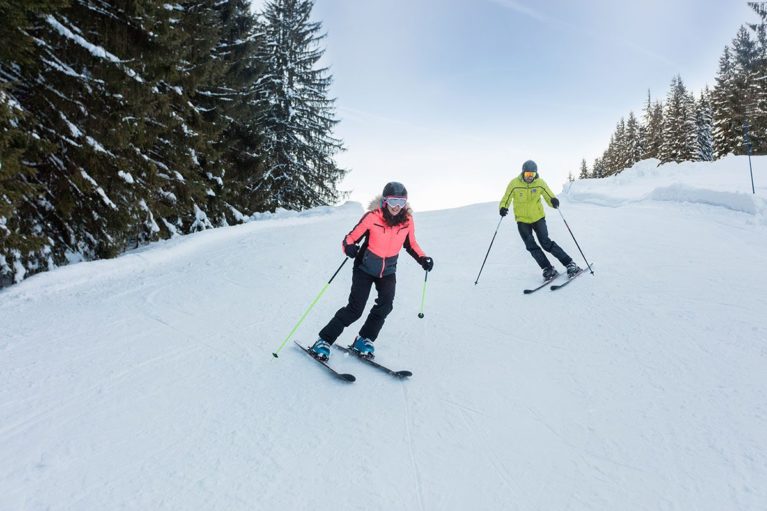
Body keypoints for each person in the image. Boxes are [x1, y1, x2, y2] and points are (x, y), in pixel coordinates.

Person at [309, 182, 433, 361]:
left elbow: (411, 244)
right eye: (392, 201)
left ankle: (364, 339)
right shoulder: (372, 217)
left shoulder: (407, 221)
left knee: (385, 305)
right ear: (384, 201)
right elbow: (350, 238)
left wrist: (423, 258)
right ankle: (323, 341)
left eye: (401, 201)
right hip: (364, 268)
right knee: (355, 309)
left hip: (388, 270)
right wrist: (349, 248)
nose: (397, 206)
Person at [499, 160, 580, 280]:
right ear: (523, 173)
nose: (529, 177)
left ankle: (569, 263)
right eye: (527, 174)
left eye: (532, 174)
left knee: (545, 242)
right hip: (522, 220)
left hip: (538, 218)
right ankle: (548, 268)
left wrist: (553, 201)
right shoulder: (514, 183)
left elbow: (549, 195)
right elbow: (507, 197)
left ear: (536, 174)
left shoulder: (540, 183)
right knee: (531, 245)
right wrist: (503, 207)